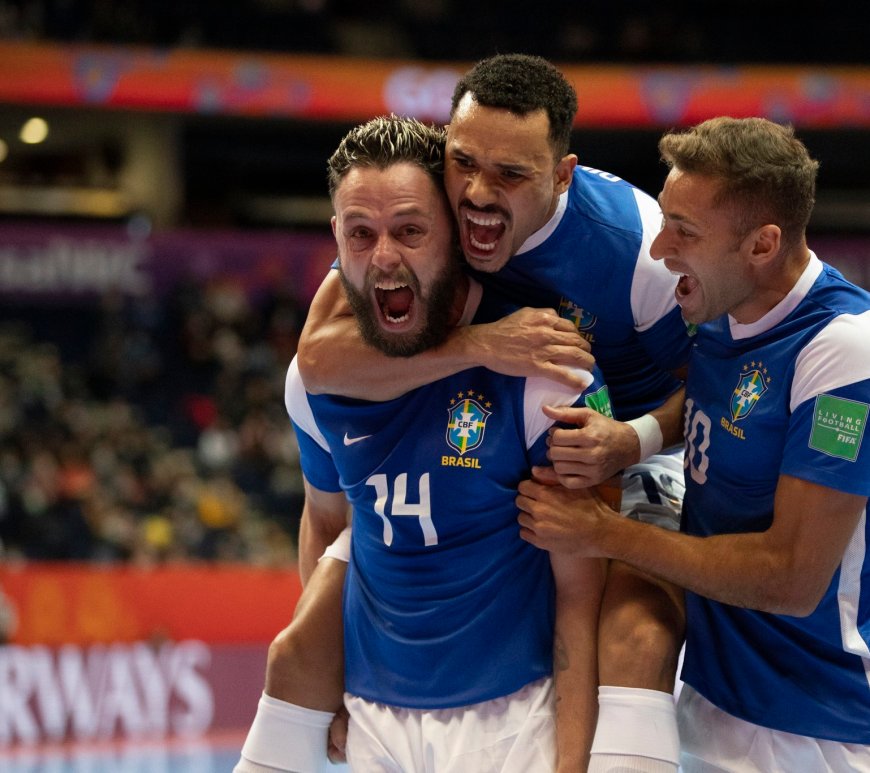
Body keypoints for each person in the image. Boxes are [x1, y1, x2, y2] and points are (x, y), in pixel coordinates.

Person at [296, 54, 693, 773]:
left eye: (510, 174)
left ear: (562, 175)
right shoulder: (423, 209)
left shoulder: (636, 244)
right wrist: (482, 344)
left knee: (635, 637)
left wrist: (631, 439)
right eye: (465, 162)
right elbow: (318, 359)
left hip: (637, 444)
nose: (478, 193)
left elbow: (716, 388)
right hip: (517, 431)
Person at [238, 114, 614, 772]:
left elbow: (582, 595)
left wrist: (573, 760)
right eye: (361, 233)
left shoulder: (544, 368)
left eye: (410, 231)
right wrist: (331, 685)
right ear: (337, 237)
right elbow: (325, 521)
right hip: (372, 716)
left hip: (513, 718)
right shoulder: (314, 381)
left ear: (454, 233)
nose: (384, 257)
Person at [517, 116, 870, 771]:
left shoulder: (845, 353)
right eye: (663, 222)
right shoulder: (723, 305)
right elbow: (717, 397)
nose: (659, 250)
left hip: (815, 729)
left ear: (762, 245)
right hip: (711, 700)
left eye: (685, 230)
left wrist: (606, 534)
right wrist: (634, 438)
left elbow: (792, 578)